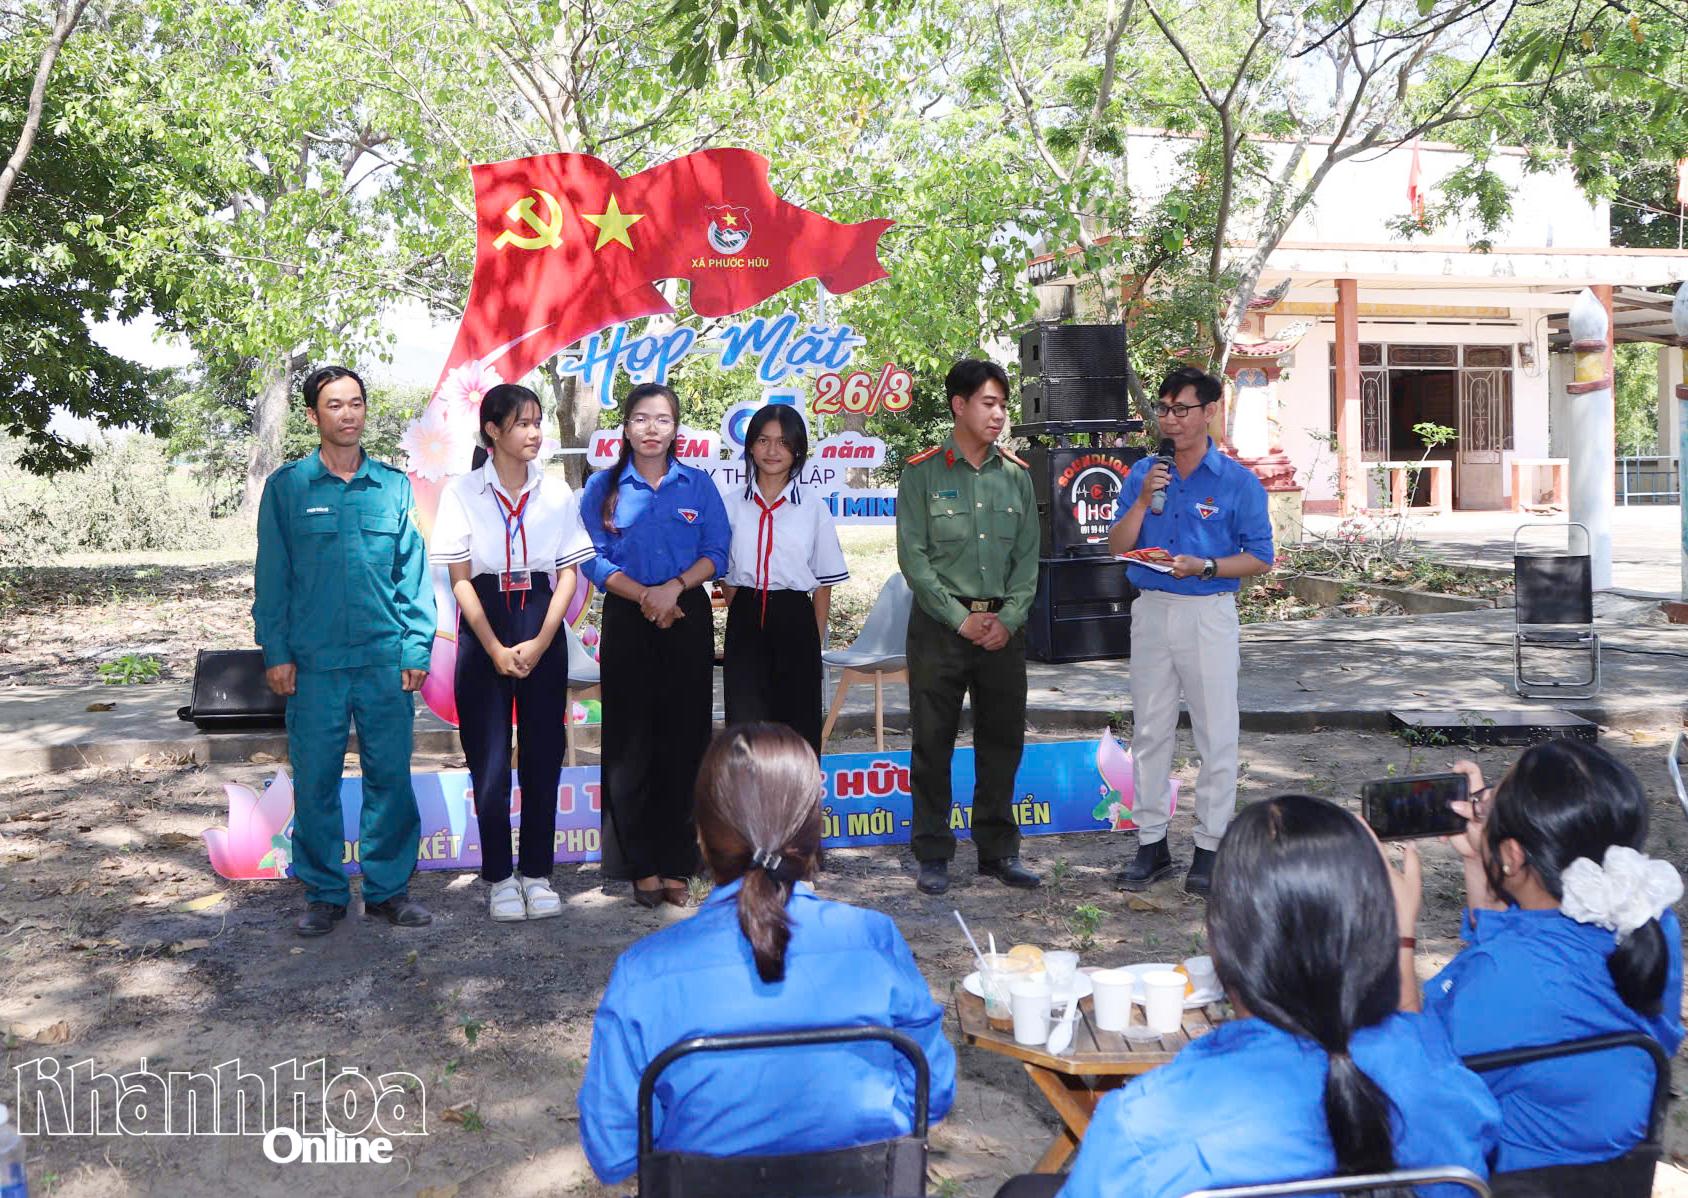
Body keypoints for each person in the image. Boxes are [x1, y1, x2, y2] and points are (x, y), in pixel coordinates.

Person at [1043, 794, 1499, 1198]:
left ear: (1219, 946)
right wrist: (1400, 939)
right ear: (1373, 934)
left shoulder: (1144, 1124)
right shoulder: (1443, 1084)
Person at [578, 723, 956, 1183]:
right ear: (814, 831)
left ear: (701, 836)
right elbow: (931, 1093)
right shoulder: (874, 940)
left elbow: (613, 1151)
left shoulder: (644, 972)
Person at [1401, 739, 1684, 1174]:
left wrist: (1399, 936)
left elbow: (1410, 1071)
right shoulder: (1650, 923)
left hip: (1506, 1178)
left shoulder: (1505, 975)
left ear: (1514, 855)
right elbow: (1512, 952)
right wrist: (1482, 861)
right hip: (1613, 1173)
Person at [253, 365, 436, 936]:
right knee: (316, 782)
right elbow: (273, 578)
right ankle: (325, 894)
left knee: (390, 780)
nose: (348, 413)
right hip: (313, 666)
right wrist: (276, 651)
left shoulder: (393, 486)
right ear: (313, 415)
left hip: (384, 662)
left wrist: (416, 646)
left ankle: (387, 891)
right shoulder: (288, 489)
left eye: (355, 403)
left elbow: (413, 574)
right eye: (335, 405)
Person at [428, 383, 594, 922]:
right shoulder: (462, 493)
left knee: (544, 753)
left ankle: (538, 874)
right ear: (492, 431)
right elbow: (458, 579)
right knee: (490, 759)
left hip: (543, 617)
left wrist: (546, 640)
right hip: (485, 619)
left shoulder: (557, 495)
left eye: (538, 421)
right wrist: (495, 647)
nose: (534, 433)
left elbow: (569, 573)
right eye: (521, 423)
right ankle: (500, 876)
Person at [1109, 366, 1273, 896]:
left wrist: (1203, 566)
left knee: (1215, 733)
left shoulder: (1238, 483)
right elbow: (1118, 545)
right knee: (1150, 730)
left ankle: (1210, 847)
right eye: (1163, 409)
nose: (1171, 419)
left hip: (1208, 612)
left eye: (1182, 409)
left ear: (1209, 413)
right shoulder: (1144, 473)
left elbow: (1260, 557)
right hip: (1151, 609)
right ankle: (1151, 843)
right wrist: (1139, 500)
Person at [579, 383, 729, 908]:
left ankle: (677, 862)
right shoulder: (603, 486)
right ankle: (637, 863)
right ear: (625, 427)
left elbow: (717, 552)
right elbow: (590, 558)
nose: (651, 429)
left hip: (686, 614)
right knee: (630, 743)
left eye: (662, 420)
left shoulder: (698, 485)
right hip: (628, 615)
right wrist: (644, 593)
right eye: (641, 418)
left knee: (685, 741)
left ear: (675, 428)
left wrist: (673, 589)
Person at [896, 359, 1042, 897]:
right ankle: (932, 852)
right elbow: (914, 560)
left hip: (1003, 630)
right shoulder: (922, 473)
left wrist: (1007, 619)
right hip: (939, 628)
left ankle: (998, 851)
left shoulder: (1017, 476)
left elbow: (1029, 560)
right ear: (959, 405)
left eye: (1003, 404)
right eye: (989, 403)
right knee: (932, 743)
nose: (999, 414)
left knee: (1001, 741)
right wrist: (961, 619)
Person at [721, 403, 849, 753]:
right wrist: (746, 608)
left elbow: (824, 583)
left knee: (799, 729)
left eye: (782, 442)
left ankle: (799, 806)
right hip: (745, 617)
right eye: (763, 440)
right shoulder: (730, 506)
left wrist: (814, 641)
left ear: (797, 450)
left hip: (796, 619)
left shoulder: (812, 508)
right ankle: (746, 808)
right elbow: (725, 575)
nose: (772, 450)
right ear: (750, 446)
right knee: (745, 730)